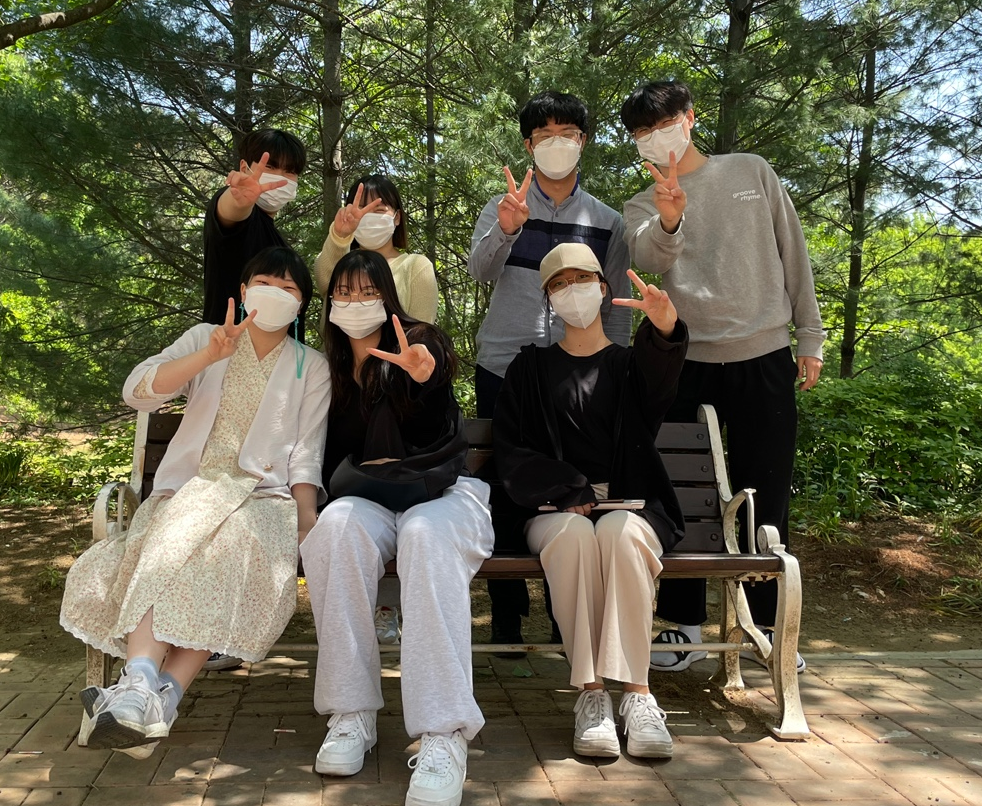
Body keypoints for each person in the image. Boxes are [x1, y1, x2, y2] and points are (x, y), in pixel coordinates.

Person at [60, 247, 331, 758]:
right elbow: (139, 391)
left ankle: (142, 693)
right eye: (265, 282)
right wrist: (207, 356)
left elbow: (306, 452)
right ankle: (150, 689)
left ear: (301, 304)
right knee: (171, 549)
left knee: (225, 561)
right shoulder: (207, 337)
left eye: (289, 288)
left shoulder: (310, 366)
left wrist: (305, 518)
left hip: (261, 499)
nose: (276, 293)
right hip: (189, 489)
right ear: (244, 290)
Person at [619, 80, 825, 673]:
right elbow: (647, 258)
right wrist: (670, 220)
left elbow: (793, 252)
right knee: (681, 495)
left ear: (689, 118)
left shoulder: (750, 172)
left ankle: (766, 627)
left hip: (764, 354)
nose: (654, 137)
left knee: (766, 494)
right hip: (683, 362)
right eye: (641, 132)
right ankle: (682, 625)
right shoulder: (641, 204)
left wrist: (809, 336)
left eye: (663, 123)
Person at [301, 250, 493, 806]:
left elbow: (434, 417)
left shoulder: (418, 343)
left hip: (442, 493)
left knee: (424, 536)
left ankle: (443, 731)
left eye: (368, 292)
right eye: (344, 293)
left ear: (388, 296)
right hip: (371, 498)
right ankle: (351, 712)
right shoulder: (329, 371)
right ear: (329, 303)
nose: (355, 303)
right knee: (334, 530)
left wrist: (423, 378)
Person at [493, 243, 688, 759]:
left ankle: (639, 695)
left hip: (631, 507)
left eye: (582, 279)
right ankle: (592, 695)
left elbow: (661, 384)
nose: (571, 290)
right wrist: (566, 487)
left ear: (603, 288)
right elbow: (512, 450)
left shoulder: (629, 367)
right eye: (559, 284)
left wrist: (665, 328)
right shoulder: (529, 369)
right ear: (548, 299)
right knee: (576, 535)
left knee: (620, 535)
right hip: (552, 510)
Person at [468, 90, 632, 650]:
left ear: (583, 141)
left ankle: (569, 617)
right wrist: (508, 228)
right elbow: (478, 271)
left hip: (578, 373)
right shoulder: (503, 206)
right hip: (503, 365)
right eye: (544, 135)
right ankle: (507, 614)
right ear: (528, 145)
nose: (556, 143)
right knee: (504, 484)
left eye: (568, 133)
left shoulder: (607, 221)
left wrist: (614, 368)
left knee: (573, 481)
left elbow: (616, 303)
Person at [314, 174, 440, 645]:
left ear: (398, 216)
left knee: (398, 494)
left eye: (381, 207)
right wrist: (339, 236)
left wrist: (416, 370)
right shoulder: (342, 265)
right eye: (362, 206)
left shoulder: (414, 264)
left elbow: (420, 331)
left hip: (398, 386)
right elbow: (324, 284)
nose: (372, 215)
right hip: (349, 385)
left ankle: (389, 606)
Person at [203, 128, 308, 343]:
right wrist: (238, 200)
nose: (280, 177)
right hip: (225, 352)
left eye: (289, 170)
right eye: (270, 166)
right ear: (244, 167)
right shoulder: (244, 221)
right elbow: (231, 212)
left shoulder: (279, 242)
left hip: (283, 359)